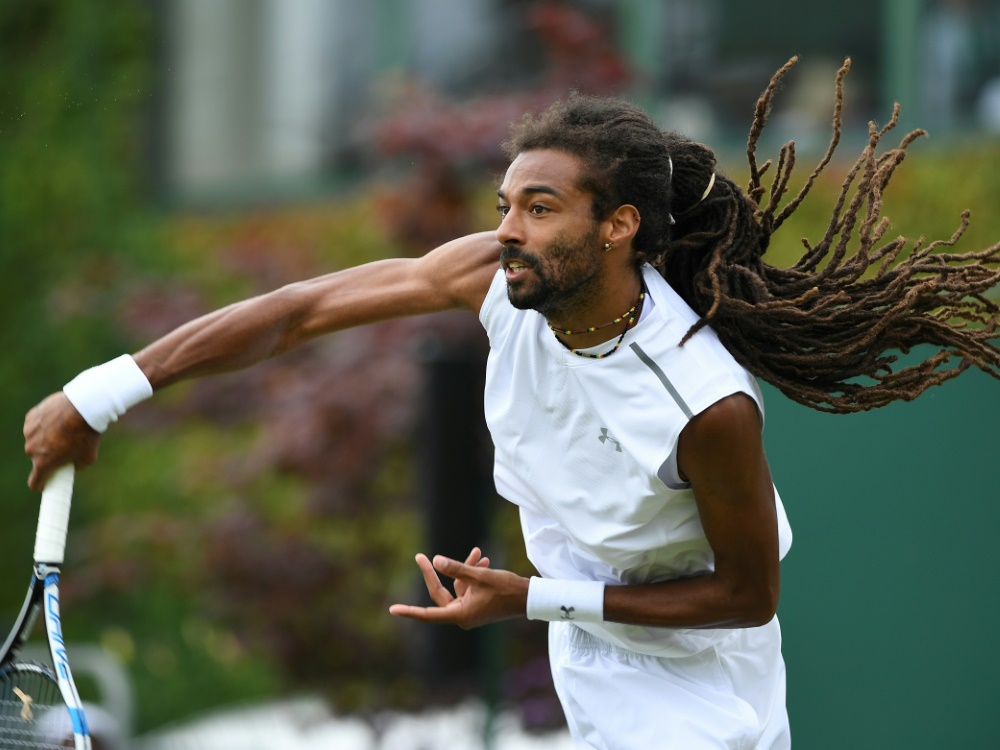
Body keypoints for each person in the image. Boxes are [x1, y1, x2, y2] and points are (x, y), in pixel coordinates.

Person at [23, 58, 1000, 749]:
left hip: (702, 688)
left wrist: (532, 600)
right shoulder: (491, 276)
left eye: (539, 209)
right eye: (504, 206)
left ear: (617, 226)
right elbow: (301, 309)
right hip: (592, 651)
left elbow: (748, 599)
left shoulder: (706, 403)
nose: (507, 231)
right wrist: (102, 391)